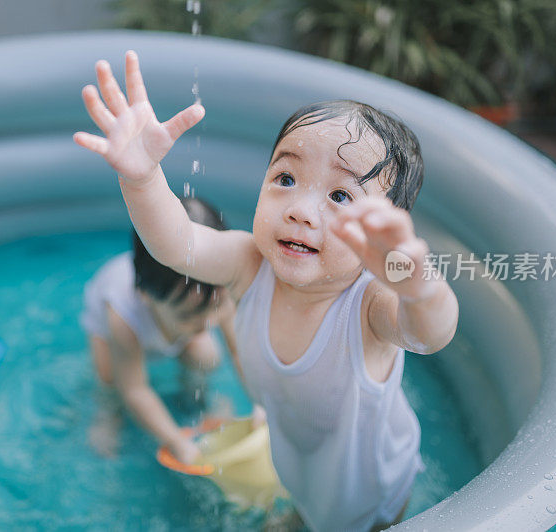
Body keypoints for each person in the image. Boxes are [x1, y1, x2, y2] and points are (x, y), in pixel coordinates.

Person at [73, 51, 459, 532]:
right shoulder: (248, 263)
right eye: (286, 177)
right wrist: (142, 177)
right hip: (301, 466)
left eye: (340, 196)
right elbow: (178, 244)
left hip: (369, 490)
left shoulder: (369, 305)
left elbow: (431, 333)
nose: (299, 208)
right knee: (304, 502)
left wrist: (418, 284)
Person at [80, 196, 237, 465]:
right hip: (115, 328)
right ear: (146, 296)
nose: (209, 322)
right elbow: (137, 391)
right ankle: (108, 415)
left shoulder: (214, 287)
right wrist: (176, 440)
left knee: (208, 357)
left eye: (217, 306)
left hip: (169, 315)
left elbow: (240, 349)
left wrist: (262, 402)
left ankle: (196, 395)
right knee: (111, 380)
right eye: (191, 314)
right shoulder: (121, 314)